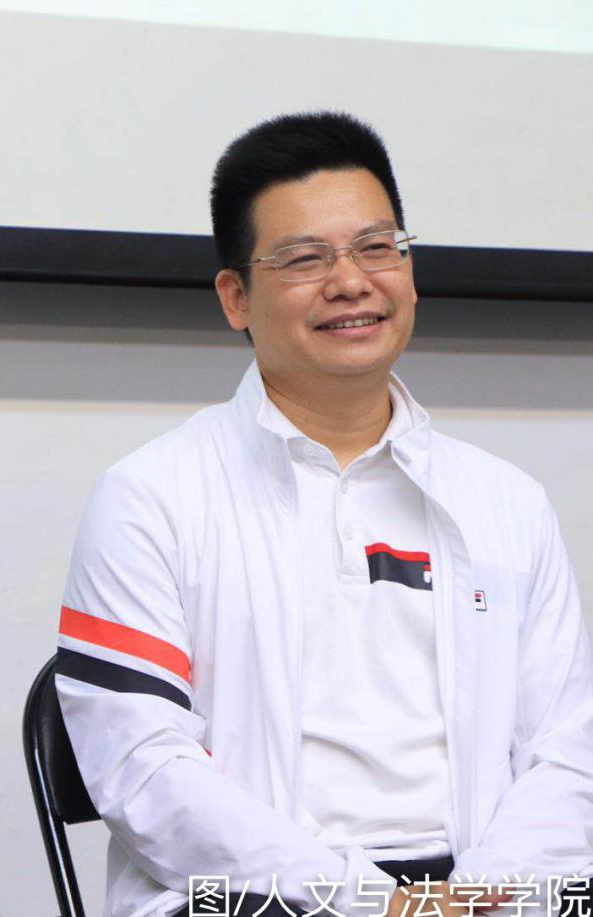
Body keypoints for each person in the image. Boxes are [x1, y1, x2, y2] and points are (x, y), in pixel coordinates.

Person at [54, 111, 593, 917]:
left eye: (377, 248)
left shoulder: (505, 501)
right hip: (253, 896)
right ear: (234, 297)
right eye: (305, 259)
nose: (350, 282)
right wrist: (370, 901)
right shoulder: (149, 497)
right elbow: (143, 769)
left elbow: (566, 751)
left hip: (480, 891)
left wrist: (479, 898)